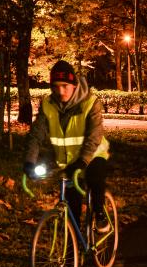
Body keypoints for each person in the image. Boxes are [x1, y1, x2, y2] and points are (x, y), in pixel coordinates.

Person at [23, 60, 110, 233]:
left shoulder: (90, 102)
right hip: (68, 162)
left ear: (74, 85)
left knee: (94, 177)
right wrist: (29, 161)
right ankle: (72, 255)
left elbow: (94, 136)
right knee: (72, 210)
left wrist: (83, 161)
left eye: (65, 86)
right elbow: (36, 134)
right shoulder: (48, 105)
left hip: (93, 155)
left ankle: (100, 213)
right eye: (55, 86)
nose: (60, 91)